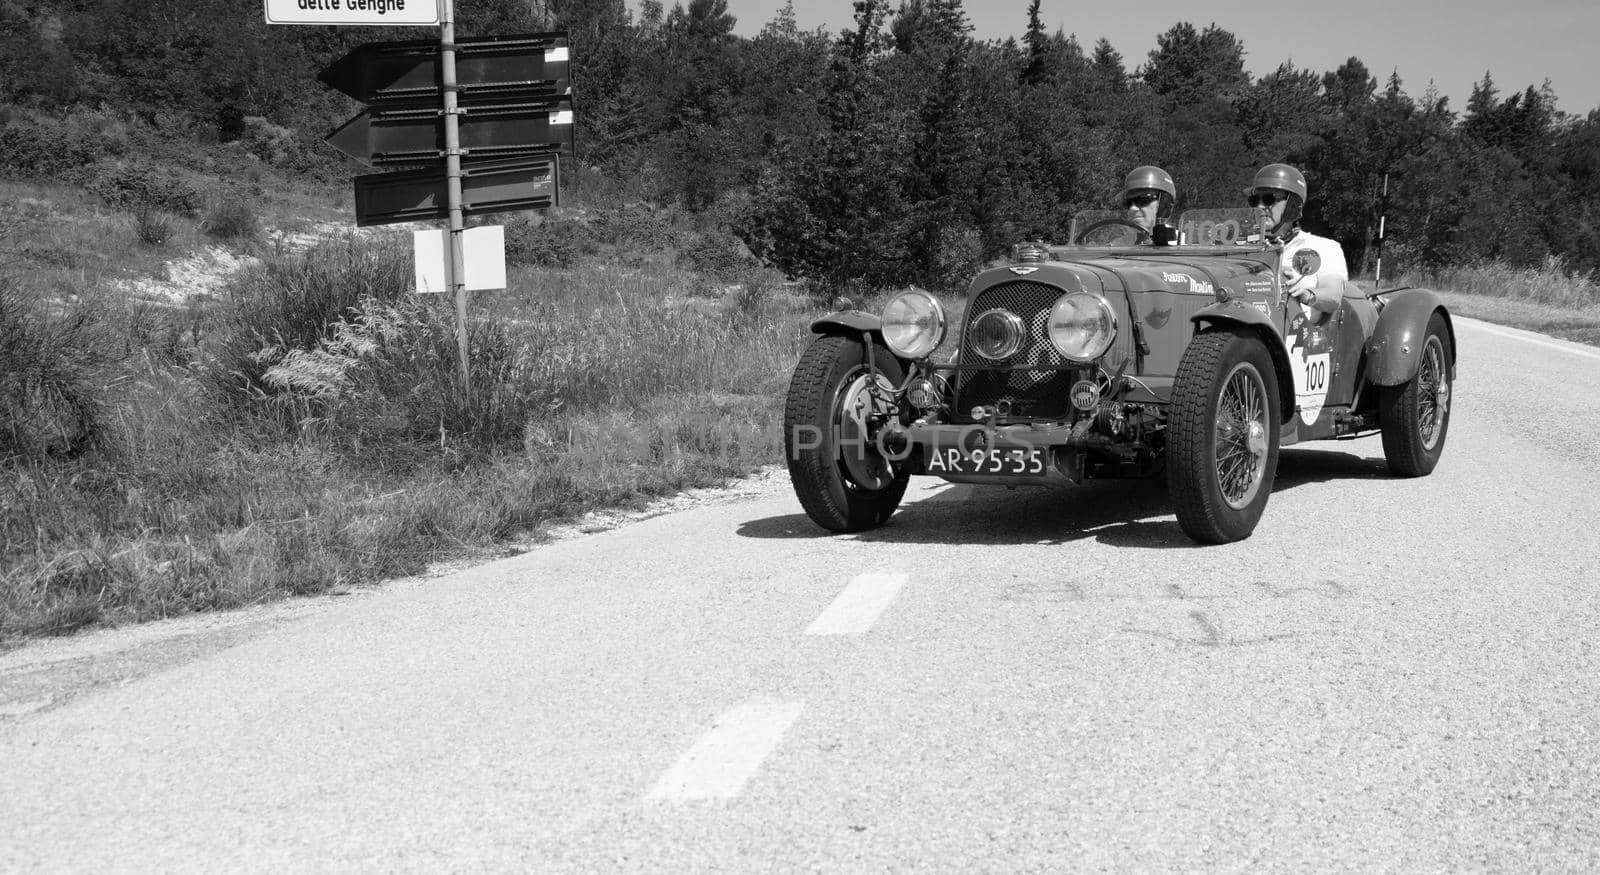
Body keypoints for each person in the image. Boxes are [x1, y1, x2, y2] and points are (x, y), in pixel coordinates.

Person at [1245, 163, 1348, 315]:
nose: (1259, 206)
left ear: (1293, 204)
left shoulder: (1324, 248)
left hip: (1301, 335)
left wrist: (1306, 294)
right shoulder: (1242, 248)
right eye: (1254, 200)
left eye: (1268, 199)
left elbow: (1333, 296)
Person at [1119, 165, 1177, 235]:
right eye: (1128, 203)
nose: (1132, 208)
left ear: (1164, 206)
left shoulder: (1185, 244)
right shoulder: (1117, 245)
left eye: (1143, 200)